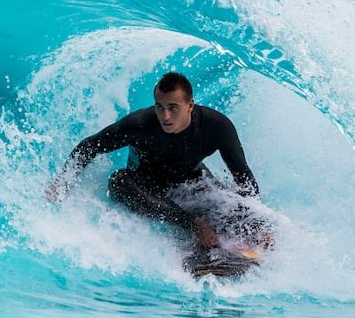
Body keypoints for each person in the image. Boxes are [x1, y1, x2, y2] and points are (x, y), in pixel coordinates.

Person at [45, 72, 270, 253]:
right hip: (145, 186)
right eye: (159, 107)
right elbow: (89, 146)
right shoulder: (139, 125)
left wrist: (254, 220)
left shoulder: (217, 126)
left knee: (227, 199)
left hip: (190, 180)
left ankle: (252, 236)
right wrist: (62, 183)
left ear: (190, 105)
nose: (165, 116)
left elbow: (244, 177)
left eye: (173, 107)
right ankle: (193, 225)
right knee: (117, 182)